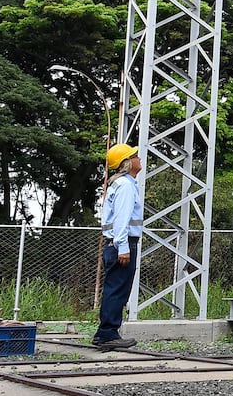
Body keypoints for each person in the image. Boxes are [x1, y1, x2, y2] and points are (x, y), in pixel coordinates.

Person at [93, 142, 144, 351]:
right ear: (127, 163)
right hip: (122, 244)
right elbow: (122, 219)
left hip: (115, 244)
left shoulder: (120, 184)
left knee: (114, 289)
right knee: (117, 290)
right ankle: (108, 335)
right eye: (135, 155)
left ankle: (104, 333)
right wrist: (123, 247)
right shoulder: (125, 185)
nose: (139, 158)